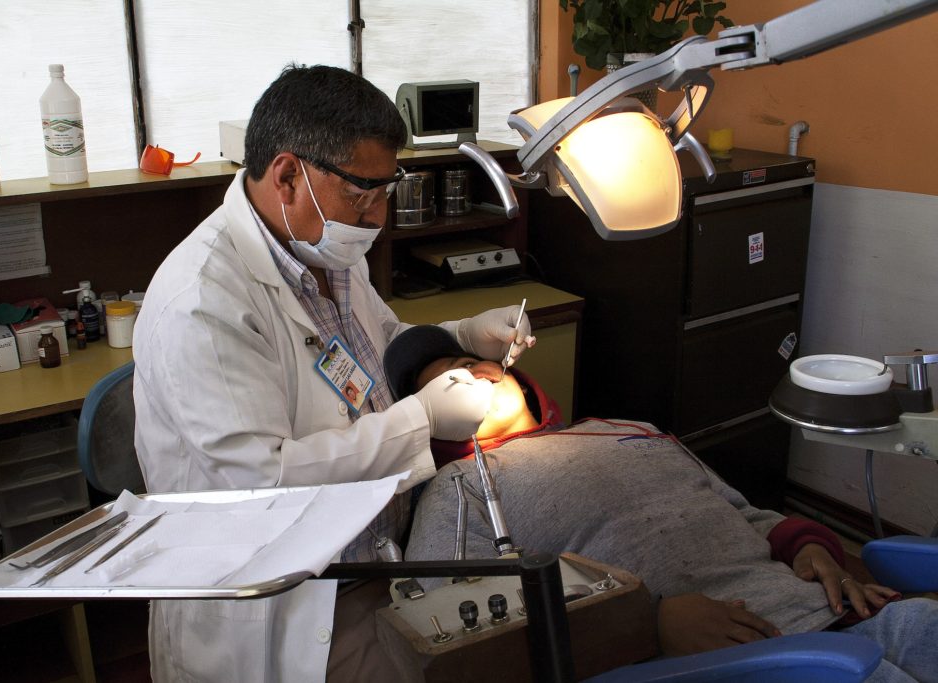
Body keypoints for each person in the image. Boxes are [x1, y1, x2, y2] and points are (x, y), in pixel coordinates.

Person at [131, 65, 534, 682]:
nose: (376, 217)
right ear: (288, 175)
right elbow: (264, 478)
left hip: (376, 568)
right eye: (362, 194)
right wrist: (421, 420)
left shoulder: (324, 250)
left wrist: (459, 335)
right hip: (281, 604)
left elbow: (373, 349)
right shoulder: (204, 301)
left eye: (385, 191)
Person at [385, 325, 938, 683]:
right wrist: (645, 624)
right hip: (718, 660)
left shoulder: (629, 428)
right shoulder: (460, 485)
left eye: (472, 362)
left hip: (834, 612)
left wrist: (810, 548)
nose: (471, 374)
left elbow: (745, 514)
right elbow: (452, 631)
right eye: (446, 383)